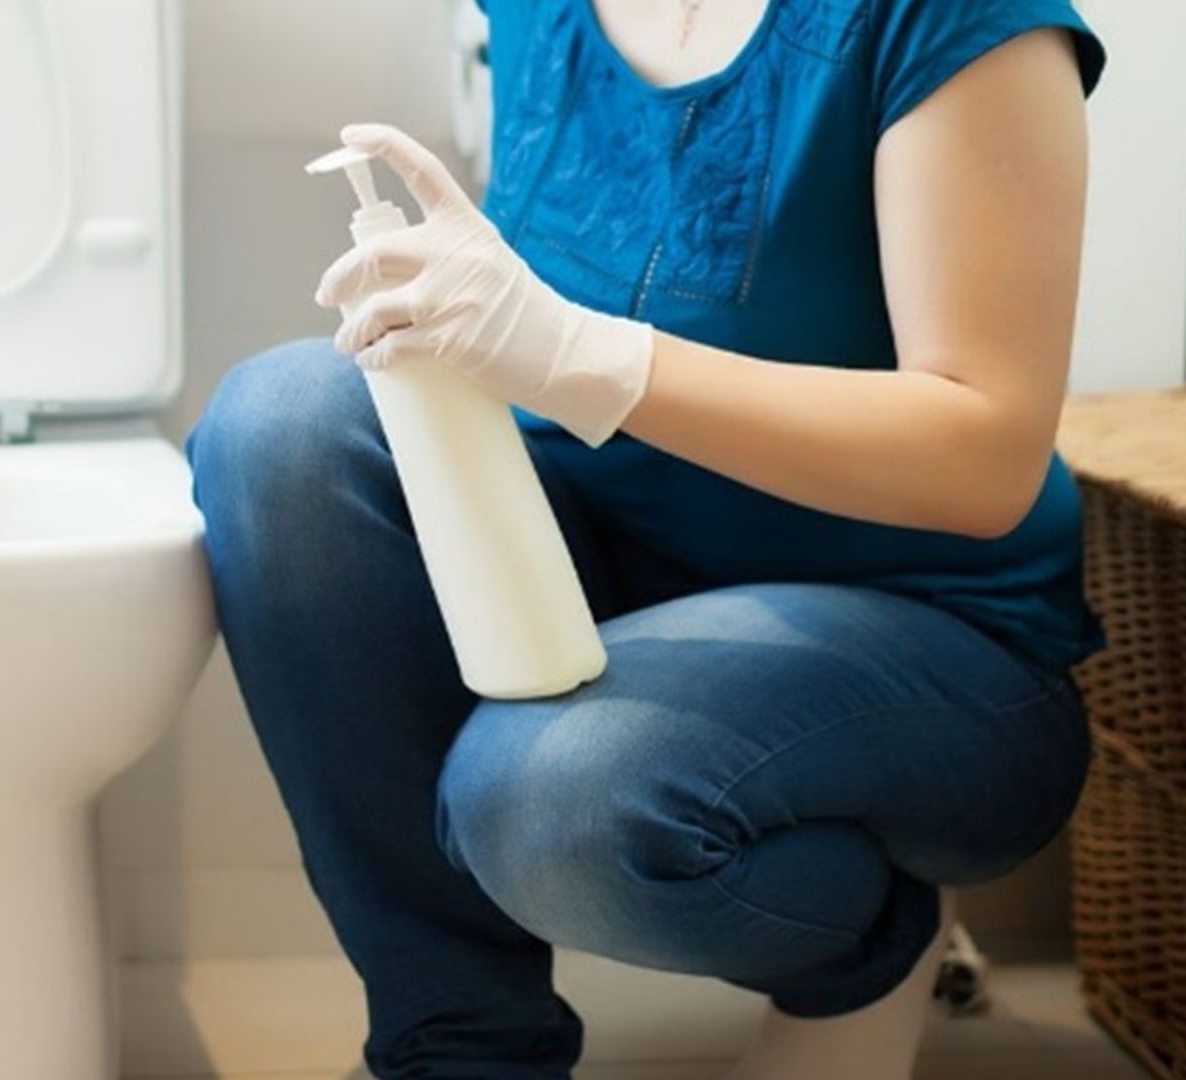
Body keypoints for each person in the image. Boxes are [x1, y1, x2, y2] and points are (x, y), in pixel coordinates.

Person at [182, 1, 1108, 1077]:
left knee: (549, 797)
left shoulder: (947, 19)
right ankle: (462, 1046)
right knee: (282, 422)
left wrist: (581, 355)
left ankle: (873, 947)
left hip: (923, 645)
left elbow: (983, 458)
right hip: (611, 563)